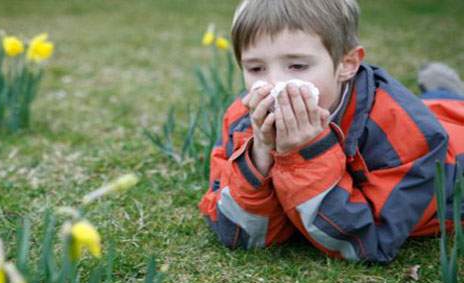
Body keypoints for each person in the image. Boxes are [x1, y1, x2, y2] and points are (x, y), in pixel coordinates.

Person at [198, 0, 464, 264]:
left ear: (347, 64)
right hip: (423, 112)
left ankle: (447, 94)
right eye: (256, 69)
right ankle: (441, 93)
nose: (274, 83)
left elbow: (366, 243)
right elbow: (238, 234)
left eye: (297, 66)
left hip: (454, 145)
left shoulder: (410, 136)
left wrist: (307, 154)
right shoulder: (243, 120)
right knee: (435, 105)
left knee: (448, 110)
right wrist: (259, 155)